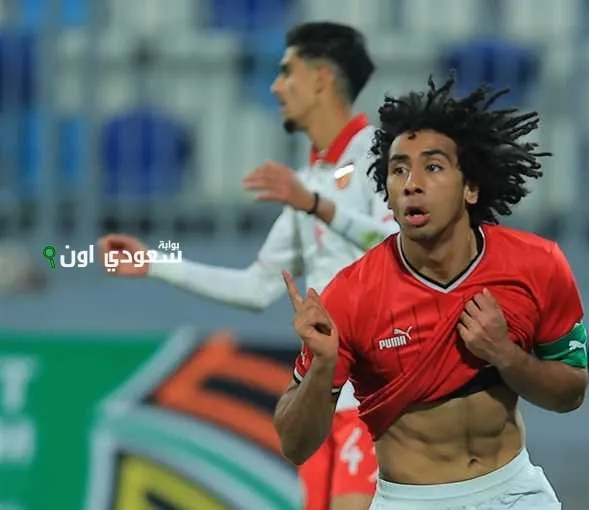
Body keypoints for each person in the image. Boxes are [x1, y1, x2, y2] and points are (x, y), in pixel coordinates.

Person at [98, 22, 396, 510]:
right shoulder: (308, 180)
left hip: (375, 398)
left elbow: (399, 242)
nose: (276, 87)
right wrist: (152, 262)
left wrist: (316, 205)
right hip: (323, 404)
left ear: (321, 77)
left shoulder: (376, 155)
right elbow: (256, 287)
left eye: (287, 72)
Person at [273, 75, 589, 510]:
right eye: (398, 169)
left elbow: (571, 394)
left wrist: (506, 355)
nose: (412, 183)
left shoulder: (537, 266)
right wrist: (322, 369)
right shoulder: (350, 295)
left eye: (433, 167)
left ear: (470, 188)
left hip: (515, 493)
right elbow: (295, 445)